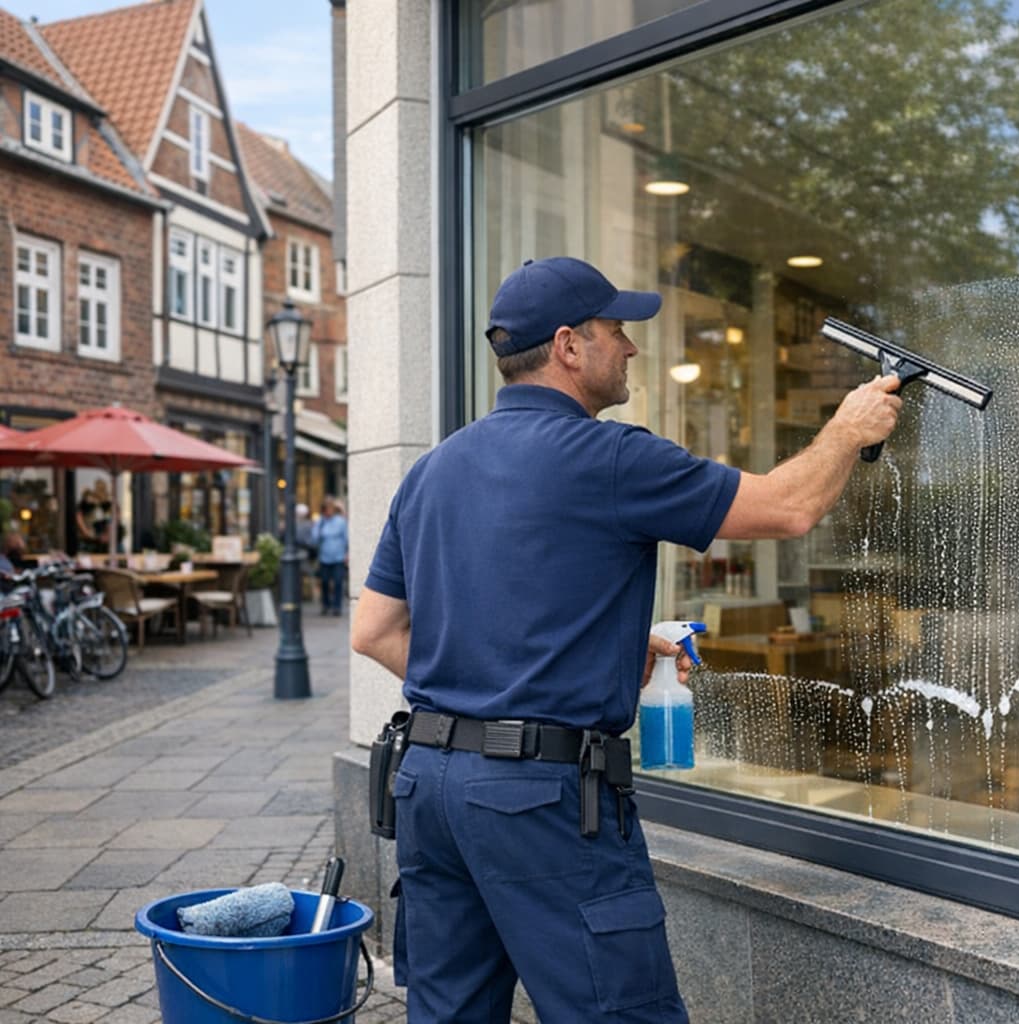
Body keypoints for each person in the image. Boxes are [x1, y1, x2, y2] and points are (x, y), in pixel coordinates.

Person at [351, 256, 902, 1022]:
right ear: (571, 345)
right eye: (618, 331)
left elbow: (374, 631)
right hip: (540, 804)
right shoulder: (610, 457)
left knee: (450, 1015)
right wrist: (848, 428)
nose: (632, 348)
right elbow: (788, 509)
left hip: (430, 788)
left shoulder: (433, 469)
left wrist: (577, 656)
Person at [310, 497, 349, 615]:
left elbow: (346, 538)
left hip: (338, 557)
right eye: (326, 509)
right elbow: (314, 539)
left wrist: (347, 553)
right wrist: (319, 525)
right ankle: (326, 605)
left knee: (338, 582)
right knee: (325, 582)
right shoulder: (320, 522)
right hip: (324, 558)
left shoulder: (340, 522)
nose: (328, 511)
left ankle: (337, 607)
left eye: (330, 509)